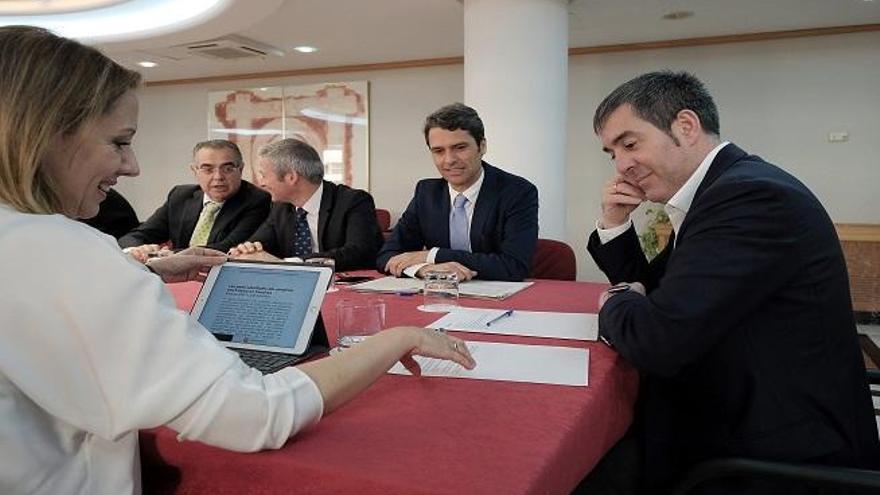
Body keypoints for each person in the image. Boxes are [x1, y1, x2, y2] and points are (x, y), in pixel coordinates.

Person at [0, 25, 475, 494]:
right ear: (47, 135)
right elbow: (256, 414)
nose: (133, 166)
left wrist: (142, 269)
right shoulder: (65, 250)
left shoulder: (348, 200)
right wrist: (397, 338)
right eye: (119, 142)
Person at [586, 71, 879, 494]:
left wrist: (613, 302)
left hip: (767, 450)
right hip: (737, 404)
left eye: (629, 144)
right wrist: (615, 224)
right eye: (611, 152)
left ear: (685, 127)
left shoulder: (749, 197)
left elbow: (655, 338)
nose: (620, 165)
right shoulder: (723, 189)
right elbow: (661, 291)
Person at [376, 103, 539, 282]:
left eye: (460, 148)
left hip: (500, 301)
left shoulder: (517, 192)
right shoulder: (426, 192)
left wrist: (433, 255)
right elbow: (387, 256)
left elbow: (514, 266)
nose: (449, 160)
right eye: (438, 151)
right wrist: (425, 269)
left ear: (482, 146)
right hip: (439, 295)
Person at [228, 138, 383, 271]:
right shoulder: (281, 207)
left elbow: (360, 252)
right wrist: (246, 251)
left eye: (263, 175)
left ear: (291, 177)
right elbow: (260, 243)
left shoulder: (354, 201)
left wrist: (291, 263)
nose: (260, 183)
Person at [117, 139, 270, 261]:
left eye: (227, 169)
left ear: (241, 170)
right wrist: (136, 250)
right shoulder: (180, 196)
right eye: (207, 169)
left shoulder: (257, 200)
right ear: (194, 171)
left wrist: (164, 255)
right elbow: (138, 235)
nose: (218, 177)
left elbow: (226, 248)